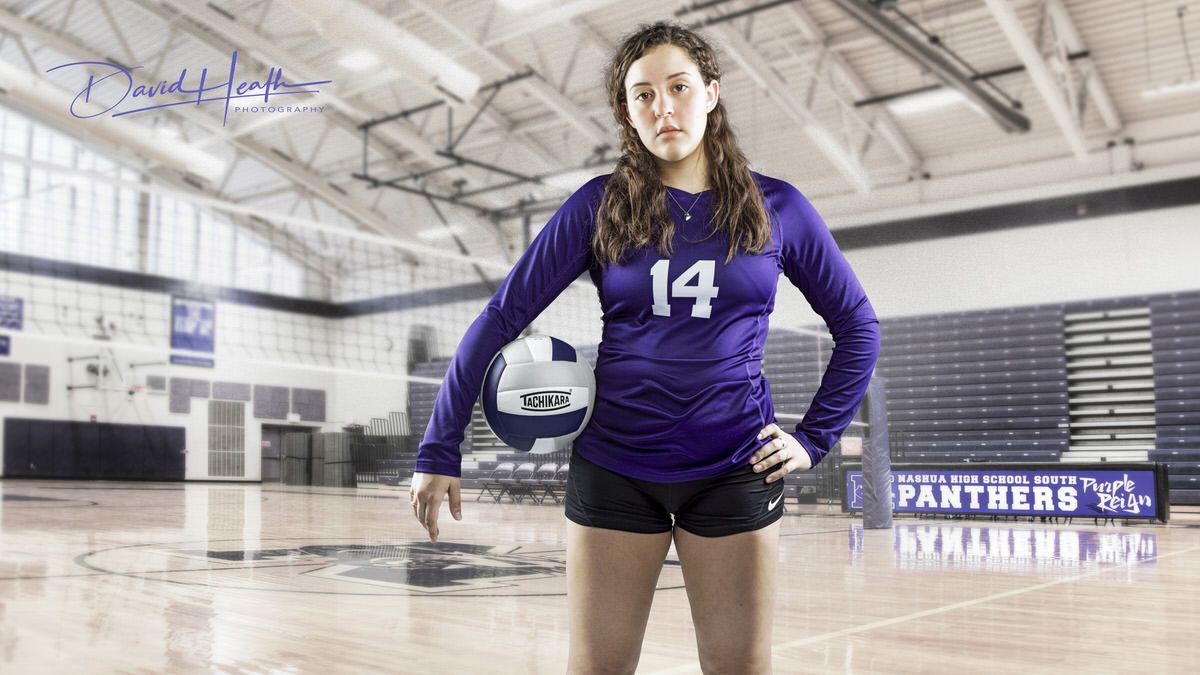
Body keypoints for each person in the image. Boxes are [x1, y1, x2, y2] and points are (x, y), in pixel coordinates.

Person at [410, 21, 880, 674]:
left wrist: (814, 436)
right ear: (627, 113)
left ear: (712, 93)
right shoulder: (598, 206)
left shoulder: (780, 208)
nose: (664, 107)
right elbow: (500, 317)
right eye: (643, 95)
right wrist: (440, 444)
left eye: (679, 87)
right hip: (616, 466)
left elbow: (859, 325)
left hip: (734, 467)